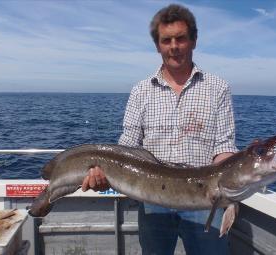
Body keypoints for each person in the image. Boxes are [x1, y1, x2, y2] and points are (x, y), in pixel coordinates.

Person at [82, 4, 237, 255]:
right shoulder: (140, 91)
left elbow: (224, 146)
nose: (174, 46)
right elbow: (128, 145)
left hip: (204, 201)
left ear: (193, 41)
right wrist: (104, 174)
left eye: (181, 38)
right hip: (152, 202)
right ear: (158, 46)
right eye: (166, 40)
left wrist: (234, 175)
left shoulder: (218, 88)